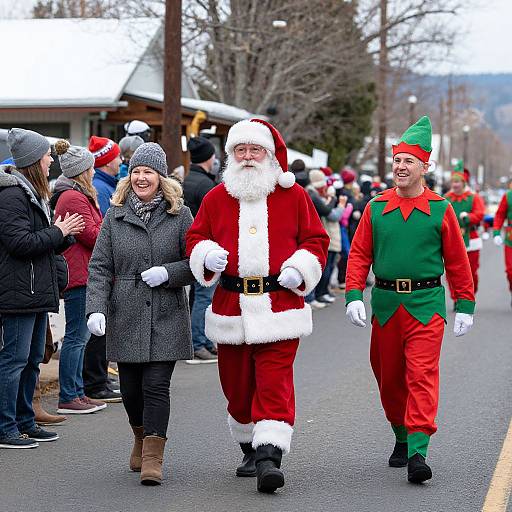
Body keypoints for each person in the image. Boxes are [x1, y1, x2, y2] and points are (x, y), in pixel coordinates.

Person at [186, 119, 329, 494]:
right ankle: (249, 445)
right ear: (230, 156)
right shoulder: (216, 198)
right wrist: (206, 253)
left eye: (255, 150)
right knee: (236, 386)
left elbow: (316, 239)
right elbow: (195, 236)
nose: (248, 157)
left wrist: (300, 268)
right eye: (241, 150)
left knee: (274, 380)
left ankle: (269, 456)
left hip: (279, 305)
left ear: (269, 154)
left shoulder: (293, 195)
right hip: (231, 307)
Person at [345, 116, 475, 483]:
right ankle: (401, 435)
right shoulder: (374, 208)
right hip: (386, 305)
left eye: (408, 162)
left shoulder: (441, 209)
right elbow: (358, 255)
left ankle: (419, 449)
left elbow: (457, 261)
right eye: (398, 161)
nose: (401, 167)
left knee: (422, 375)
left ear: (424, 167)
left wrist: (464, 303)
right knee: (389, 380)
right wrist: (354, 293)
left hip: (426, 305)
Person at [86, 143, 195, 485]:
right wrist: (95, 308)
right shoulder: (114, 215)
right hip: (126, 312)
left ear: (160, 177)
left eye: (148, 171)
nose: (141, 177)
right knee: (131, 389)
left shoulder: (180, 215)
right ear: (128, 175)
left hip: (167, 313)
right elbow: (100, 266)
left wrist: (169, 273)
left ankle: (153, 456)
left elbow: (196, 264)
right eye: (136, 171)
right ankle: (139, 435)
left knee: (156, 386)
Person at [0, 128, 84, 448]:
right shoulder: (11, 195)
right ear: (34, 160)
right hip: (18, 292)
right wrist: (58, 231)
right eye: (47, 155)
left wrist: (64, 234)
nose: (51, 160)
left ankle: (25, 421)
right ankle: (6, 428)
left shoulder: (33, 194)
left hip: (34, 291)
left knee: (33, 358)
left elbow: (40, 245)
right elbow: (19, 244)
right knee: (14, 361)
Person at [51, 140, 105, 414]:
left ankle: (78, 392)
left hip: (84, 272)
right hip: (79, 274)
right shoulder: (73, 197)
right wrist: (104, 227)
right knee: (76, 337)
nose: (95, 172)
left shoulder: (77, 195)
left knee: (80, 337)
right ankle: (69, 396)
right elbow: (94, 235)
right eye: (91, 168)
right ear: (82, 171)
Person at [83, 135, 123, 403]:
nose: (121, 161)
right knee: (96, 331)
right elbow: (106, 232)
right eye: (117, 157)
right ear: (107, 161)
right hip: (100, 269)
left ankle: (100, 377)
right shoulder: (102, 188)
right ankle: (95, 381)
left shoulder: (106, 185)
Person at [183, 136, 218, 362]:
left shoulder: (189, 179)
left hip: (194, 245)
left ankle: (200, 340)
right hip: (205, 247)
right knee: (204, 296)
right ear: (209, 157)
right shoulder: (205, 184)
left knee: (197, 295)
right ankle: (198, 342)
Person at [444, 163, 484, 302]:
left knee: (471, 271)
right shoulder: (446, 198)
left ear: (463, 182)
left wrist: (469, 217)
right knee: (452, 271)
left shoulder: (474, 197)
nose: (454, 185)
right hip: (452, 239)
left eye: (457, 182)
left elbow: (480, 214)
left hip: (471, 238)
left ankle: (469, 294)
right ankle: (456, 298)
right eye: (453, 182)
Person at [304, 169, 339, 309]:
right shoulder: (311, 193)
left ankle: (316, 295)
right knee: (318, 267)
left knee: (323, 266)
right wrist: (334, 201)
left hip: (317, 233)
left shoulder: (310, 192)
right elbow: (329, 212)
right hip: (314, 233)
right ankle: (312, 296)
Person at [492, 180, 512, 305]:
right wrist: (496, 232)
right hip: (510, 239)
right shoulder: (508, 196)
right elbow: (500, 215)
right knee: (510, 271)